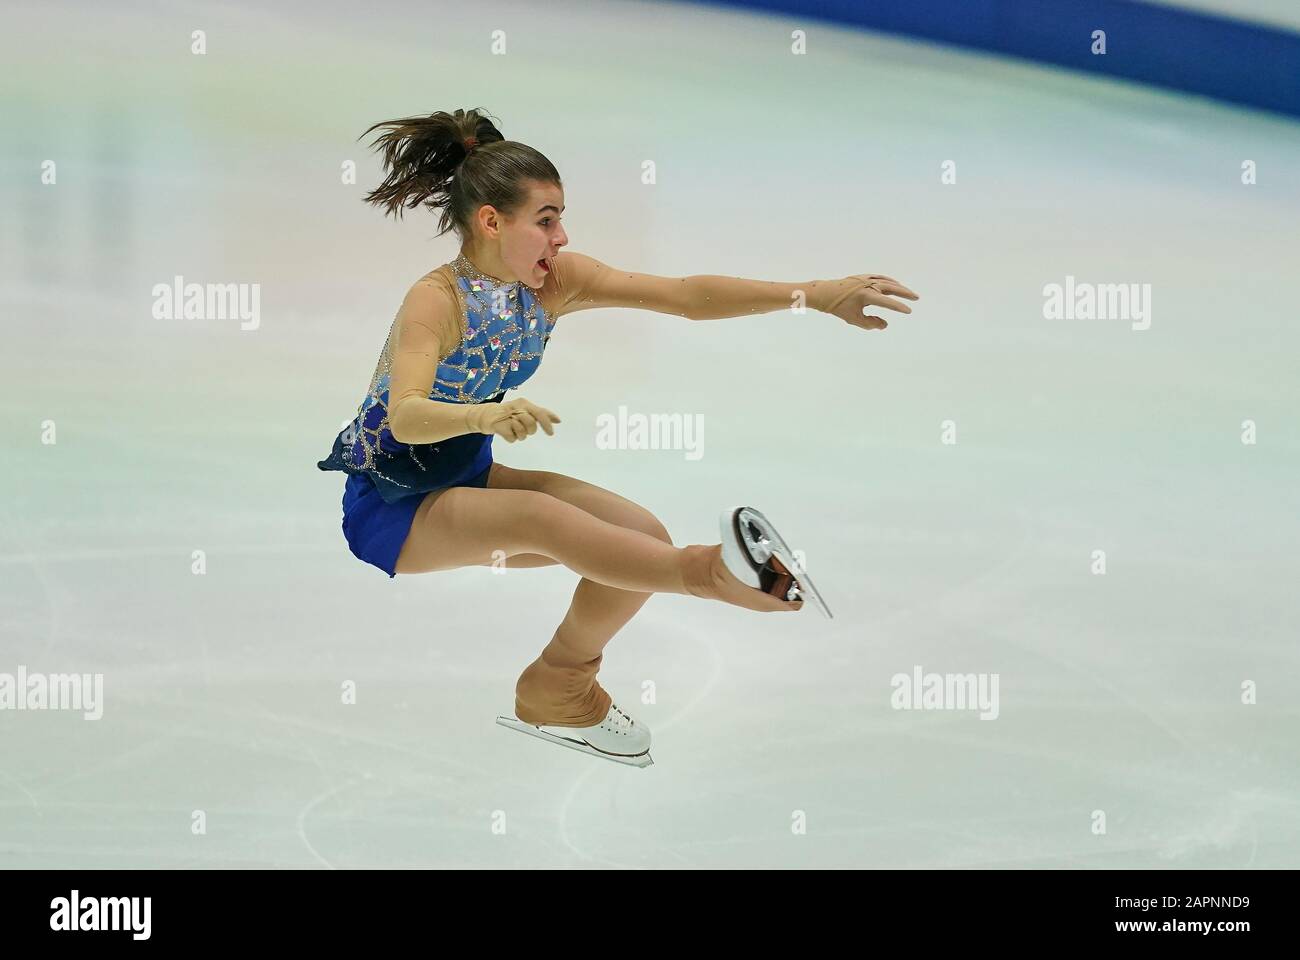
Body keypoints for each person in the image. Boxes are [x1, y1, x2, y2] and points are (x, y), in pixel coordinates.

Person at [317, 107, 919, 765]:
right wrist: (481, 416)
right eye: (546, 221)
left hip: (467, 476)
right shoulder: (437, 300)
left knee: (637, 534)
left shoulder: (553, 285)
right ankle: (715, 573)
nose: (563, 236)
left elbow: (686, 296)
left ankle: (560, 684)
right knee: (543, 518)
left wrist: (818, 293)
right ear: (492, 222)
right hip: (393, 504)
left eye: (561, 219)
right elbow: (405, 414)